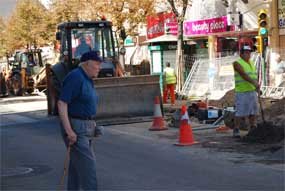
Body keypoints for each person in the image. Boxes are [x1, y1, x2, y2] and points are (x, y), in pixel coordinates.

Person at [57, 51, 102, 190]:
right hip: (76, 128)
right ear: (87, 63)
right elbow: (62, 103)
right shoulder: (76, 77)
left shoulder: (87, 78)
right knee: (89, 170)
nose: (99, 67)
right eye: (97, 64)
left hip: (84, 126)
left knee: (76, 169)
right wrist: (69, 131)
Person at [232, 44, 259, 138]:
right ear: (241, 54)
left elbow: (254, 76)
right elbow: (243, 75)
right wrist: (254, 83)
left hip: (252, 91)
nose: (248, 54)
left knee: (253, 111)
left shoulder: (251, 63)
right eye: (246, 53)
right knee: (240, 112)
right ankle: (236, 129)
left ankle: (252, 128)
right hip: (242, 92)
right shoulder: (237, 63)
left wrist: (257, 87)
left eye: (249, 53)